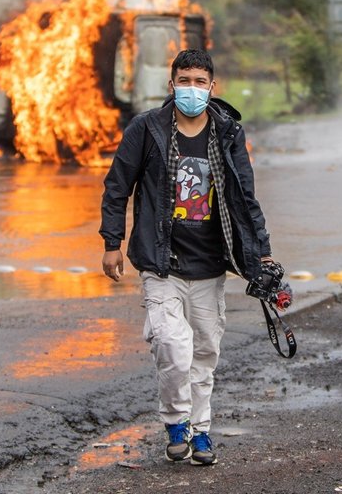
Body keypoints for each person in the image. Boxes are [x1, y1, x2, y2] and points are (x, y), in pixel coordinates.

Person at [99, 48, 277, 467]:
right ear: (171, 84)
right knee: (173, 348)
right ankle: (176, 423)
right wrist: (112, 242)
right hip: (162, 263)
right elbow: (117, 186)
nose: (192, 89)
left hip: (211, 265)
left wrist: (262, 253)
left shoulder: (228, 133)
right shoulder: (148, 129)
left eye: (200, 81)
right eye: (185, 80)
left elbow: (243, 197)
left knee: (203, 356)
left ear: (212, 88)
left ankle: (201, 433)